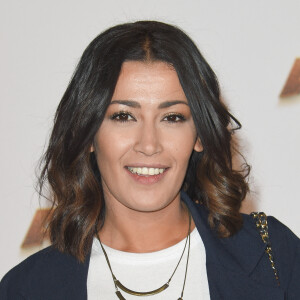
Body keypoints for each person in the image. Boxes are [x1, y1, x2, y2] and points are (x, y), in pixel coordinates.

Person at [0, 20, 299, 300]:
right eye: (123, 116)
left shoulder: (273, 254)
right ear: (89, 133)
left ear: (199, 136)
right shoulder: (28, 288)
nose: (148, 144)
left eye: (172, 117)